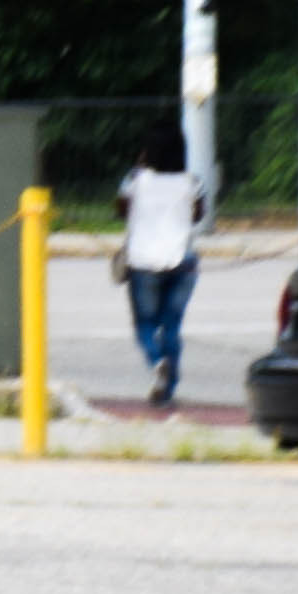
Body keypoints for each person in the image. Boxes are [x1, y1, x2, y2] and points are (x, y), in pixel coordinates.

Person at [118, 135, 209, 411]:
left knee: (145, 324)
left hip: (143, 261)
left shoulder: (134, 180)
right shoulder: (192, 181)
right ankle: (167, 391)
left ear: (147, 152)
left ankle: (157, 361)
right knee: (172, 326)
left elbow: (121, 211)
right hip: (182, 260)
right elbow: (198, 215)